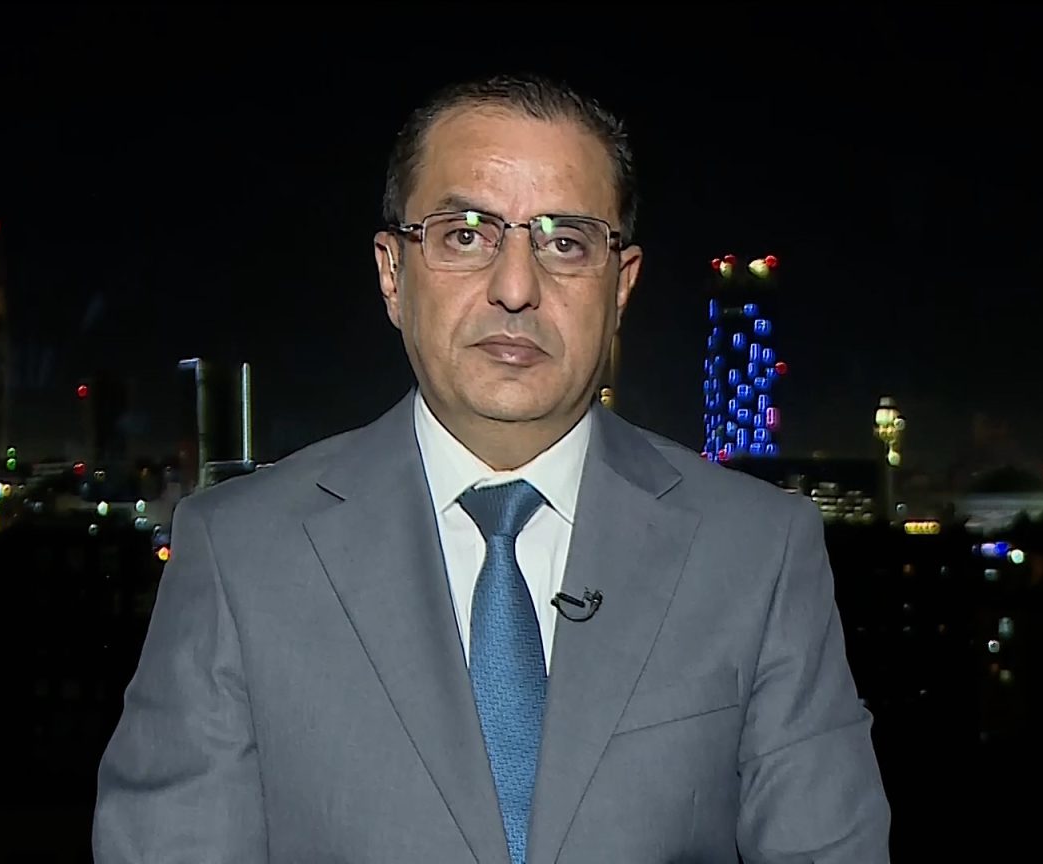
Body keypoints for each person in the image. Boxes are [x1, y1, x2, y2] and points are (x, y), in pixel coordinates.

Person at [93, 73, 890, 863]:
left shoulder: (757, 551)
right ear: (393, 274)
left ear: (621, 286)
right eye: (467, 234)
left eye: (565, 242)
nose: (515, 288)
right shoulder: (239, 553)